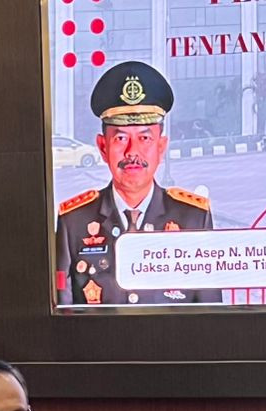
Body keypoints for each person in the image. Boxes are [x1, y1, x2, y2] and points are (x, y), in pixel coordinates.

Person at [55, 59, 221, 306]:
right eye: (121, 138)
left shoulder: (193, 219)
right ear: (102, 146)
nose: (133, 151)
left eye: (145, 138)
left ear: (161, 146)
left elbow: (209, 317)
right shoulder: (74, 222)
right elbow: (63, 317)